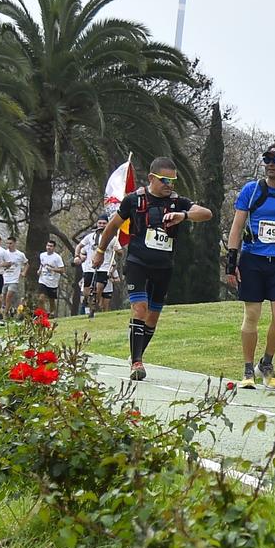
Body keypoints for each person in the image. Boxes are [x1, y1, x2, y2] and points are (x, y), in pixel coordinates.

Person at [92, 157, 212, 382]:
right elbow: (112, 227)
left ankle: (136, 354)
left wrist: (183, 216)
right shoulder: (134, 200)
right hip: (138, 262)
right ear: (151, 178)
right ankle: (137, 362)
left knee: (153, 317)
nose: (169, 185)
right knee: (139, 308)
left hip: (164, 266)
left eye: (173, 181)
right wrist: (100, 251)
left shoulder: (178, 202)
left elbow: (206, 214)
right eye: (164, 180)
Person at [222, 141, 275, 388]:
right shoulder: (252, 190)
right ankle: (248, 370)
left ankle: (266, 363)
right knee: (252, 314)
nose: (270, 164)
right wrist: (231, 261)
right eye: (266, 159)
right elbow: (237, 226)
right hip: (253, 260)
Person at [76, 225, 107, 317]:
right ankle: (86, 305)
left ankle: (92, 309)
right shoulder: (88, 240)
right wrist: (78, 257)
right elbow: (81, 251)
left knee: (97, 289)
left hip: (102, 267)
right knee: (86, 292)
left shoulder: (109, 238)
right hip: (88, 269)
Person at [34, 236, 67, 314]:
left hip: (53, 282)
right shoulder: (42, 255)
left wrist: (52, 269)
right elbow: (42, 264)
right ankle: (43, 314)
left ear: (54, 247)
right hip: (43, 280)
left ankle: (52, 313)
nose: (49, 247)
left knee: (51, 300)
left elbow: (62, 270)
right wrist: (39, 270)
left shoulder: (57, 257)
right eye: (48, 246)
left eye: (51, 246)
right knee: (41, 299)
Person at [0, 235, 28, 315]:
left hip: (14, 279)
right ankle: (8, 308)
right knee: (3, 297)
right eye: (7, 243)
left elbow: (26, 264)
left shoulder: (20, 254)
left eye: (10, 243)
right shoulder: (4, 253)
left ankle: (5, 314)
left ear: (15, 243)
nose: (9, 245)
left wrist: (24, 272)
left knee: (9, 296)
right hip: (4, 277)